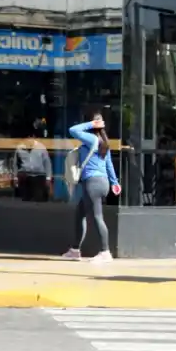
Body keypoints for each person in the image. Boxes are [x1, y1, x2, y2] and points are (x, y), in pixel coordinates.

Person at [63, 113, 119, 263]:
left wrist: (91, 124)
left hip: (92, 182)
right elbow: (109, 164)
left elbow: (73, 130)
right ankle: (75, 250)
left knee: (97, 217)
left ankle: (105, 251)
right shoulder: (104, 142)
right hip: (103, 182)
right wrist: (114, 182)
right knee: (80, 213)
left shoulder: (92, 139)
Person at [14, 121, 52, 202]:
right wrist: (15, 177)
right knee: (25, 201)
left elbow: (47, 163)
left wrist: (48, 178)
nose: (28, 140)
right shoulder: (19, 148)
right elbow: (15, 164)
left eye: (30, 137)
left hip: (39, 176)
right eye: (26, 138)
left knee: (39, 200)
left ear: (34, 137)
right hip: (25, 176)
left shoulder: (41, 147)